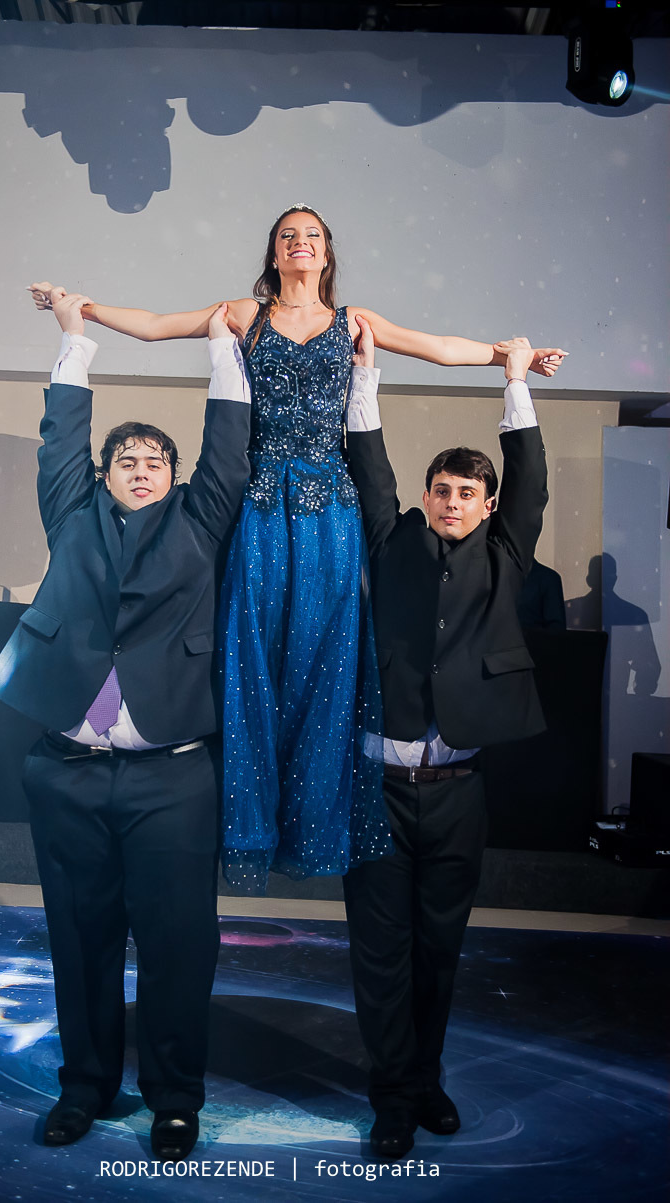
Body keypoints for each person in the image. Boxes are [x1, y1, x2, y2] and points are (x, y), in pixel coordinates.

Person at [29, 204, 566, 892]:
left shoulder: (355, 324)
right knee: (252, 652)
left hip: (331, 509)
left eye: (312, 234)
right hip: (258, 503)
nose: (300, 243)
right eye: (288, 235)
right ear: (275, 254)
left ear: (326, 253)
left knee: (327, 654)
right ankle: (254, 818)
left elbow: (439, 346)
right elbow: (159, 326)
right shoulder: (243, 315)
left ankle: (311, 821)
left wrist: (509, 358)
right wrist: (83, 310)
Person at [0, 290, 251, 1159]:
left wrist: (221, 351)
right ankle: (86, 1089)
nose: (141, 467)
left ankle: (175, 1099)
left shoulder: (203, 523)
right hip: (65, 767)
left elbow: (229, 450)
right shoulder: (73, 515)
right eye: (126, 459)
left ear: (173, 477)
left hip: (172, 777)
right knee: (81, 939)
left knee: (179, 948)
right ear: (104, 474)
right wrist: (75, 340)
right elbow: (59, 439)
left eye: (154, 459)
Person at [342, 322, 552, 1159]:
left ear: (488, 504)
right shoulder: (392, 539)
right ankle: (391, 1098)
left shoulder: (509, 552)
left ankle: (426, 1080)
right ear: (427, 495)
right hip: (378, 793)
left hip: (459, 790)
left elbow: (531, 476)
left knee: (440, 951)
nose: (452, 501)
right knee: (380, 955)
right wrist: (367, 376)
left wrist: (516, 379)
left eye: (467, 492)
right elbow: (368, 468)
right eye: (442, 489)